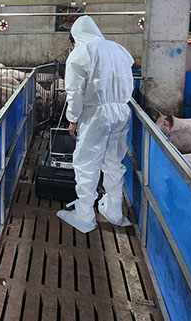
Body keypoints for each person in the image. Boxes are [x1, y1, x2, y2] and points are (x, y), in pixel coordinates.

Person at [57, 15, 134, 233]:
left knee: (86, 164)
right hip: (122, 110)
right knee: (113, 162)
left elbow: (74, 92)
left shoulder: (80, 53)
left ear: (76, 36)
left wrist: (72, 119)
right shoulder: (119, 49)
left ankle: (84, 216)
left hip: (96, 113)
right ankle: (114, 211)